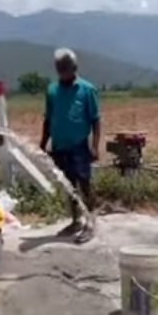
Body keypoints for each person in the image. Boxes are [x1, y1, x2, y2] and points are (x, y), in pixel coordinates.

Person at [40, 48, 101, 244]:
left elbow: (95, 120)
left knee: (85, 184)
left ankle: (90, 223)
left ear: (75, 67)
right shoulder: (52, 91)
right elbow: (48, 119)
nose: (64, 72)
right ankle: (76, 220)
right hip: (59, 146)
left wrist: (95, 146)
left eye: (67, 68)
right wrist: (43, 143)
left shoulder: (87, 90)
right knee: (68, 186)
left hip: (80, 145)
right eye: (60, 68)